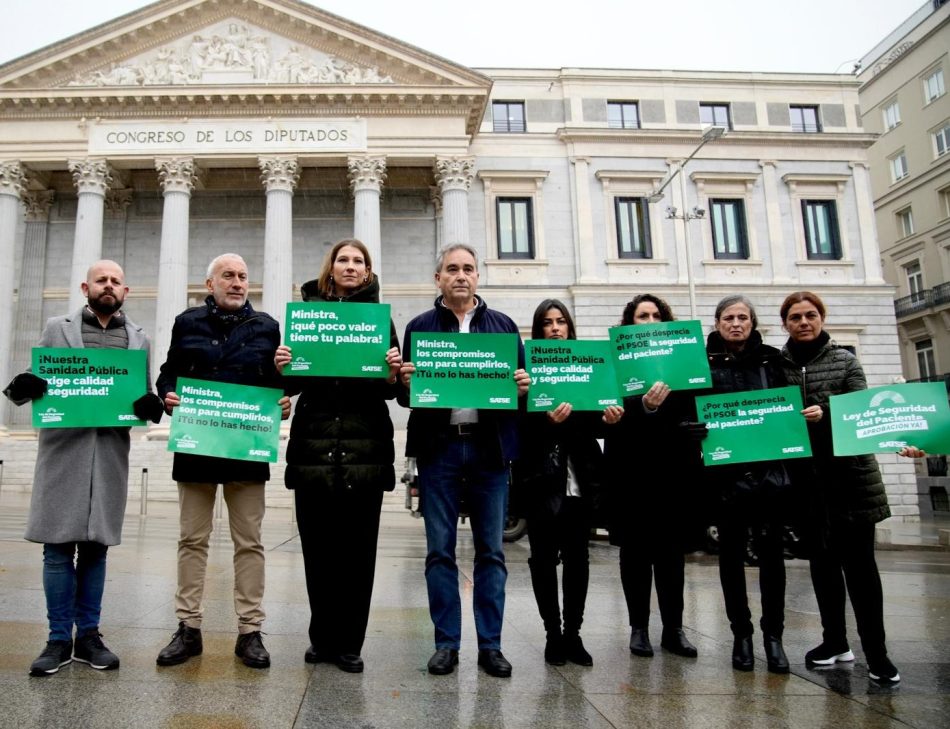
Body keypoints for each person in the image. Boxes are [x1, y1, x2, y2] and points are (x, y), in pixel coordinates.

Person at [3, 260, 163, 677]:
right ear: (85, 287)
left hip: (109, 454)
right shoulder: (59, 328)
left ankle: (89, 635)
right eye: (101, 280)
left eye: (115, 281)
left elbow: (142, 397)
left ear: (126, 291)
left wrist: (153, 406)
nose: (108, 286)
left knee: (96, 548)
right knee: (57, 549)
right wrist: (22, 388)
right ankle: (58, 638)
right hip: (64, 452)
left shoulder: (138, 339)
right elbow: (35, 383)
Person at [399, 243, 530, 678]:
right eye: (451, 269)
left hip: (490, 450)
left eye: (468, 269)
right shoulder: (419, 327)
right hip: (440, 450)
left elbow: (522, 396)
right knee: (440, 551)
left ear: (478, 277)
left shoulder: (504, 327)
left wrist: (524, 386)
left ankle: (490, 645)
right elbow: (406, 397)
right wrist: (405, 381)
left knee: (491, 551)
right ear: (438, 279)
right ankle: (446, 643)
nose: (460, 275)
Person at [274, 239, 405, 673]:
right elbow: (288, 387)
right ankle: (321, 638)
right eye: (343, 260)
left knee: (357, 553)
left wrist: (392, 372)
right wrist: (282, 366)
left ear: (367, 272)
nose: (351, 267)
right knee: (318, 552)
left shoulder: (380, 323)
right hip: (313, 449)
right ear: (330, 268)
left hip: (364, 451)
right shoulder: (305, 317)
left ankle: (349, 642)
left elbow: (394, 390)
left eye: (359, 261)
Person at [155, 253, 290, 669]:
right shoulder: (187, 322)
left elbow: (277, 384)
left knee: (249, 542)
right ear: (209, 282)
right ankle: (188, 627)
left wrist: (284, 399)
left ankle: (250, 631)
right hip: (196, 447)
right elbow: (167, 374)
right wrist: (167, 396)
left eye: (243, 277)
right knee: (191, 540)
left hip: (246, 453)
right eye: (228, 276)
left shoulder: (267, 327)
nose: (237, 282)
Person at [779, 291, 900, 684]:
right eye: (795, 316)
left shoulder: (845, 359)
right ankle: (834, 641)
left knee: (862, 570)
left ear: (822, 318)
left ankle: (877, 653)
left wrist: (826, 411)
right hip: (808, 484)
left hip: (851, 481)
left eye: (810, 315)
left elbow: (861, 410)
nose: (803, 322)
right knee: (823, 568)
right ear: (785, 324)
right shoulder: (778, 365)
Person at [515, 299, 621, 667]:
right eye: (547, 322)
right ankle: (552, 634)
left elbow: (593, 423)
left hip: (581, 481)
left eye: (561, 321)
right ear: (538, 329)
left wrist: (609, 419)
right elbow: (519, 427)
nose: (555, 328)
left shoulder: (588, 367)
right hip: (541, 480)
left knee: (578, 560)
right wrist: (543, 416)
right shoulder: (527, 372)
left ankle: (574, 634)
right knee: (543, 560)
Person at [604, 294, 703, 660]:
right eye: (641, 316)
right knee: (635, 553)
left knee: (671, 555)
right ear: (630, 323)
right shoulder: (615, 362)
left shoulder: (683, 360)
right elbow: (608, 411)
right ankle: (639, 628)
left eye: (655, 315)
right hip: (631, 472)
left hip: (672, 471)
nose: (648, 320)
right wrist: (644, 407)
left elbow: (696, 406)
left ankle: (673, 629)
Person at [706, 294, 791, 674]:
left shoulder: (774, 360)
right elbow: (692, 407)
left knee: (773, 558)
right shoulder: (703, 364)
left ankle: (774, 637)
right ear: (718, 322)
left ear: (753, 323)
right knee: (731, 559)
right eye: (728, 317)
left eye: (742, 317)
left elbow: (789, 406)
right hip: (724, 479)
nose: (736, 323)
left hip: (770, 477)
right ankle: (741, 634)